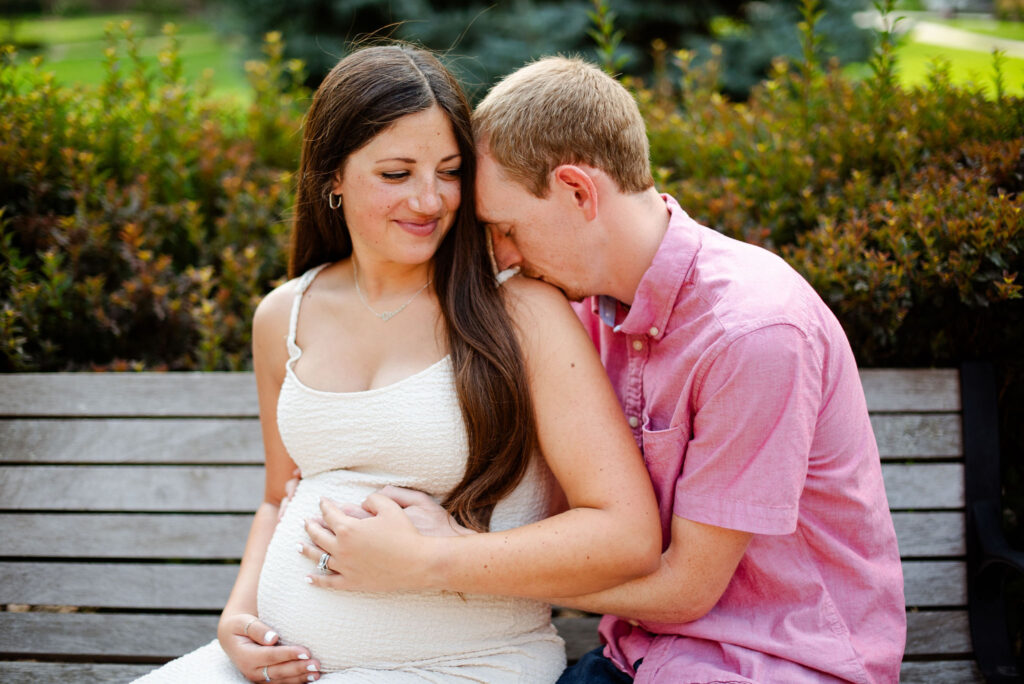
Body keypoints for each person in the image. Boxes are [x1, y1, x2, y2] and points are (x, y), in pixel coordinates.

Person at [304, 56, 907, 683]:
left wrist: (438, 558)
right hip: (635, 660)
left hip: (780, 665)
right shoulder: (586, 312)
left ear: (577, 191)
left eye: (506, 228)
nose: (502, 258)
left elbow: (685, 590)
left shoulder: (755, 334)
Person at [133, 46, 660, 684]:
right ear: (332, 176)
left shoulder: (520, 310)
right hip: (279, 665)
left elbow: (623, 530)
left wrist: (432, 557)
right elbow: (280, 496)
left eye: (450, 170)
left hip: (463, 664)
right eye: (396, 174)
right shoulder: (283, 316)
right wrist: (239, 618)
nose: (430, 200)